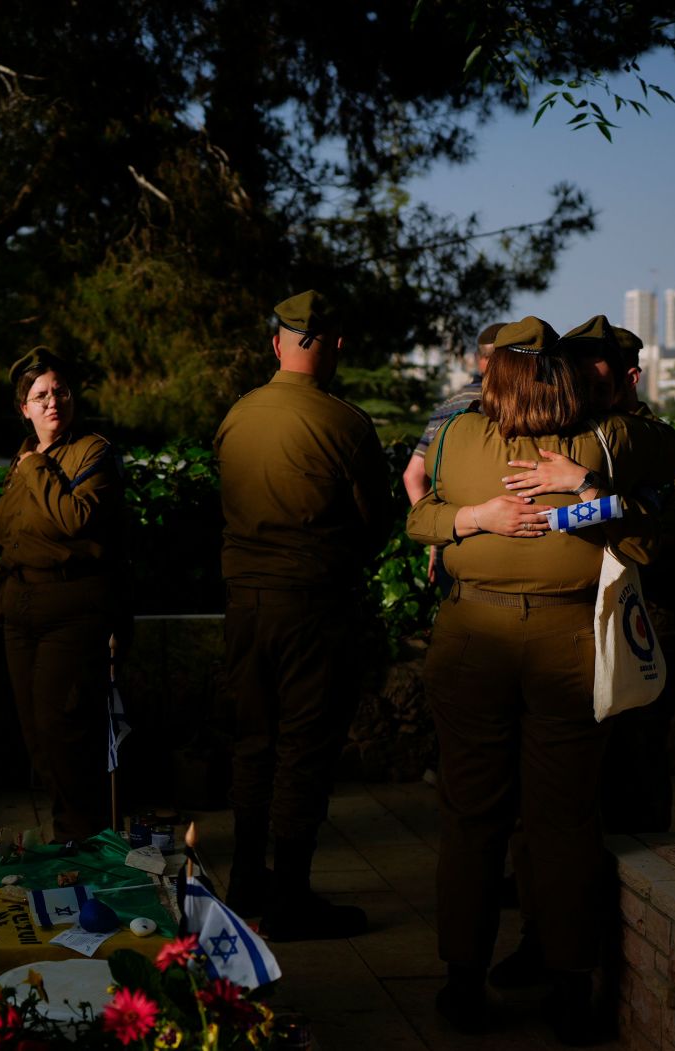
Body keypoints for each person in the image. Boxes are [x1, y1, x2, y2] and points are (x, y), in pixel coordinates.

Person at [405, 316, 675, 1044]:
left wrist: (470, 518)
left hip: (473, 639)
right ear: (560, 373)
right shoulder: (605, 442)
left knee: (471, 819)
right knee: (565, 821)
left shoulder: (457, 436)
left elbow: (419, 516)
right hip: (571, 643)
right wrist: (587, 489)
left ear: (492, 374)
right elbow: (666, 497)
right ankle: (569, 988)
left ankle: (463, 984)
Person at [483, 314, 675, 995]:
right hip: (566, 643)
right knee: (550, 808)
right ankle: (545, 940)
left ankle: (636, 947)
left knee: (631, 797)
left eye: (599, 376)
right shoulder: (556, 435)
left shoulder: (648, 443)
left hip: (637, 634)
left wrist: (594, 486)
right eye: (577, 374)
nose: (585, 386)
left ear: (629, 379)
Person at [214, 290, 392, 941]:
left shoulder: (238, 415)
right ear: (336, 345)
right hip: (311, 607)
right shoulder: (344, 423)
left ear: (275, 342)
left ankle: (242, 877)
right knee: (304, 748)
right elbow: (376, 522)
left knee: (254, 741)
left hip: (245, 605)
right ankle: (289, 893)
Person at [0, 347, 128, 851]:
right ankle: (68, 833)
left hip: (71, 610)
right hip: (20, 607)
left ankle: (85, 837)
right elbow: (13, 533)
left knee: (63, 729)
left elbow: (74, 520)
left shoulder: (92, 452)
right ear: (24, 408)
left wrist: (34, 472)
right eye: (41, 395)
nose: (53, 402)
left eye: (61, 392)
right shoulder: (25, 456)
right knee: (36, 734)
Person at [402, 321, 508, 504]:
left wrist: (430, 523)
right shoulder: (505, 402)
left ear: (477, 357)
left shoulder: (447, 405)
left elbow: (412, 476)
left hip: (453, 521)